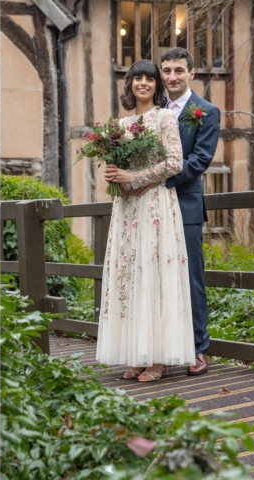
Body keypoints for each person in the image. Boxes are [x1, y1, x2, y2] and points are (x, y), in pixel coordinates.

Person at [97, 59, 195, 381]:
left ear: (157, 85)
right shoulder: (121, 126)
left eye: (149, 79)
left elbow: (176, 163)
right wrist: (115, 176)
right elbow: (117, 168)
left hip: (154, 205)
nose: (143, 83)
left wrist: (135, 176)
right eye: (137, 78)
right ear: (130, 84)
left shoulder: (165, 118)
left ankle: (158, 359)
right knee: (132, 276)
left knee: (154, 272)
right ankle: (138, 354)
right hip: (127, 209)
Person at [161, 47, 221, 375]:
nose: (172, 77)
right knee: (157, 277)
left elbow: (200, 160)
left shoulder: (207, 111)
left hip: (185, 205)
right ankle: (163, 347)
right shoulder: (154, 110)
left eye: (178, 71)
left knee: (191, 279)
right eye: (167, 70)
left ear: (191, 74)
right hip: (152, 206)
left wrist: (157, 176)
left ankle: (199, 348)